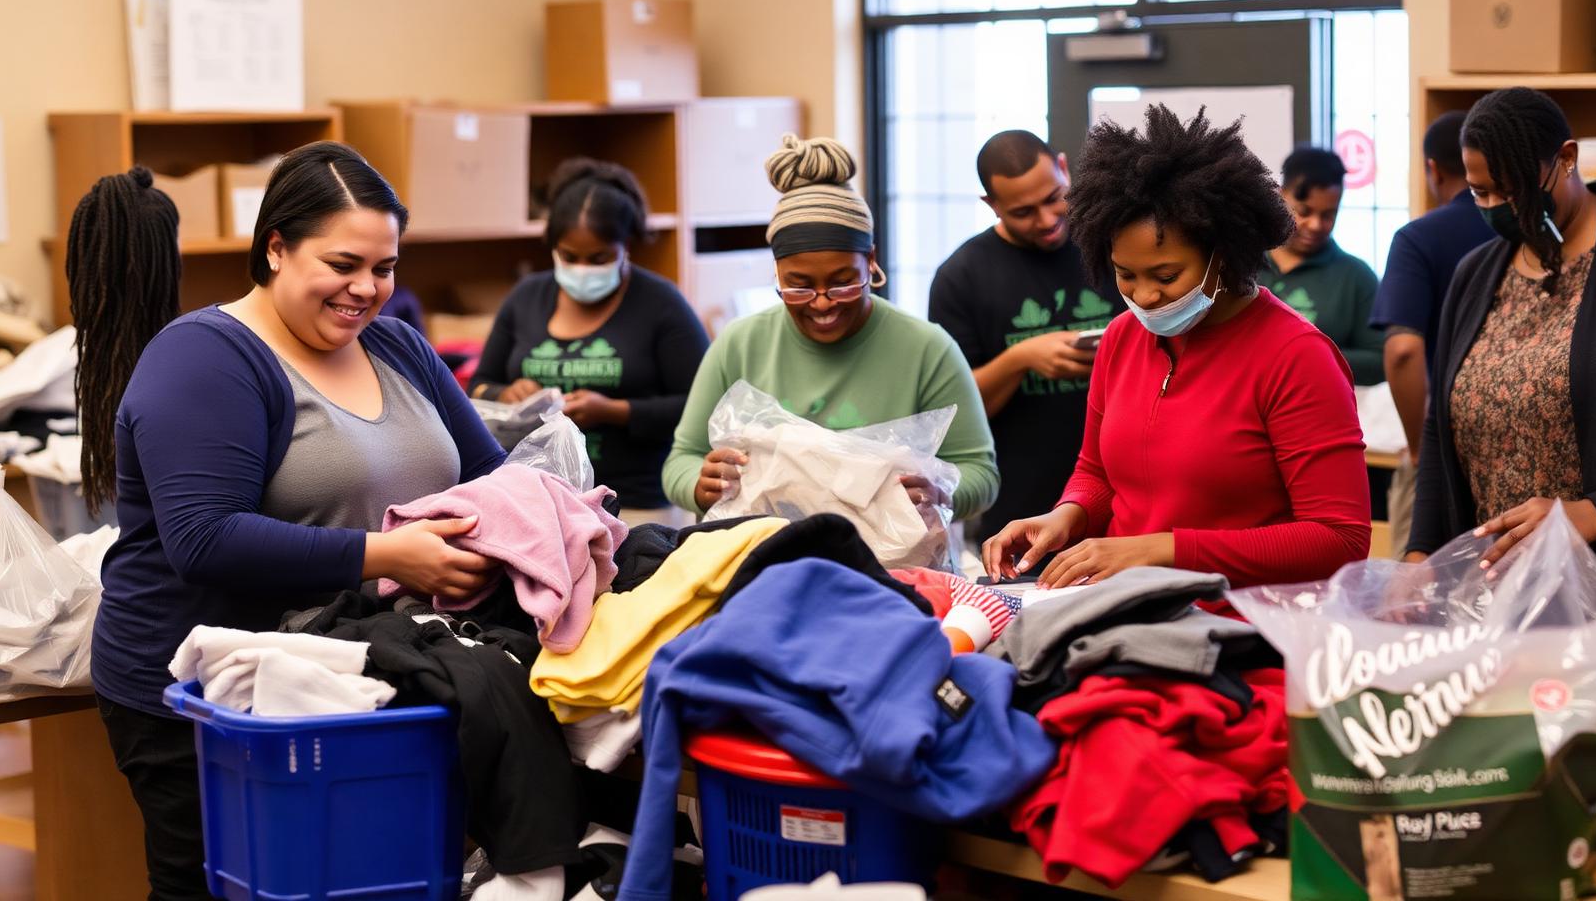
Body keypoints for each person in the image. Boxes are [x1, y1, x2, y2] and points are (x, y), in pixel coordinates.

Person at [71, 144, 506, 899]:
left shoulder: (397, 346)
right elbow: (204, 538)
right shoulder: (206, 360)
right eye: (343, 264)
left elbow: (493, 477)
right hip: (203, 690)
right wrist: (389, 555)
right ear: (275, 247)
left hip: (344, 668)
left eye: (385, 267)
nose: (366, 288)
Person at [1408, 86, 1596, 835]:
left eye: (1512, 188)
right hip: (1513, 634)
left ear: (1566, 160)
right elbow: (1444, 430)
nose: (1496, 207)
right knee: (1531, 843)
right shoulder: (1475, 275)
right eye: (1480, 192)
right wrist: (1420, 553)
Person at [984, 105, 1369, 592]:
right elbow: (1098, 472)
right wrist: (1067, 515)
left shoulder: (1297, 357)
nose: (1145, 296)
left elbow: (1339, 539)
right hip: (1126, 607)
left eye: (1166, 276)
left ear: (1222, 256)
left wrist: (1164, 550)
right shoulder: (1121, 339)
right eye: (1125, 275)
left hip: (1239, 620)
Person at [662, 134, 998, 537]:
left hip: (887, 564)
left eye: (842, 283)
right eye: (799, 286)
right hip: (761, 558)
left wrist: (939, 492)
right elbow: (681, 460)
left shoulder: (927, 349)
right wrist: (700, 484)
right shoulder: (739, 344)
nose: (822, 303)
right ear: (776, 271)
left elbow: (981, 473)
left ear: (870, 261)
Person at [470, 157, 708, 523]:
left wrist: (615, 411)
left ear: (626, 245)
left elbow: (700, 406)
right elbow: (478, 386)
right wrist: (506, 394)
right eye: (569, 257)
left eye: (599, 258)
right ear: (553, 246)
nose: (582, 269)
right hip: (536, 501)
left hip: (635, 504)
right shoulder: (526, 298)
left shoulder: (661, 304)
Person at [928, 130, 1120, 543]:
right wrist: (1020, 358)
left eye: (1054, 198)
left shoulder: (1112, 244)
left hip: (1122, 499)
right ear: (991, 205)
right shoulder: (961, 277)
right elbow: (954, 415)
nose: (1047, 220)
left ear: (1064, 168)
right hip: (1021, 508)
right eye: (1023, 212)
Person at [1368, 111, 1491, 551]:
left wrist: (1421, 447)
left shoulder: (1418, 238)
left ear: (1433, 169)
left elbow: (1402, 350)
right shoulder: (1528, 229)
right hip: (1516, 445)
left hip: (1445, 445)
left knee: (1419, 581)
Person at [1264, 145, 1385, 384]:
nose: (1316, 225)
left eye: (1328, 215)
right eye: (1304, 211)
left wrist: (1306, 355)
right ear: (1280, 196)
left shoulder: (1356, 276)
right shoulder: (1244, 263)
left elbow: (1380, 361)